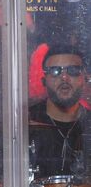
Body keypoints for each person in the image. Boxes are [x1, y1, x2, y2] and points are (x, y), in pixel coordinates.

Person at [29, 44, 91, 178]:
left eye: (73, 70)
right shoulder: (24, 123)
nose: (64, 77)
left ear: (85, 79)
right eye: (55, 71)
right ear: (44, 81)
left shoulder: (88, 123)